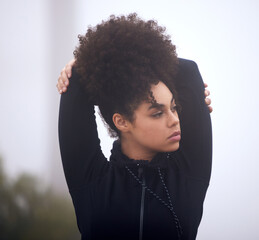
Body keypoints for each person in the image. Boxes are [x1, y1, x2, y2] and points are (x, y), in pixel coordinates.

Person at [57, 13, 212, 240]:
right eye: (157, 113)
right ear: (121, 121)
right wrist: (88, 67)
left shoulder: (188, 175)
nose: (174, 120)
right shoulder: (91, 180)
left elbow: (189, 73)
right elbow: (77, 83)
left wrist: (108, 65)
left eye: (175, 107)